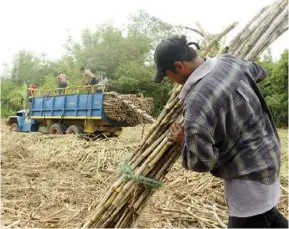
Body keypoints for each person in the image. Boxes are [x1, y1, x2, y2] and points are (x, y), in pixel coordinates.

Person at [153, 35, 288, 228]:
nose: (170, 81)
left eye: (167, 75)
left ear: (179, 66)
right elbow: (260, 71)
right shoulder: (229, 62)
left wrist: (183, 141)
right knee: (269, 217)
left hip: (247, 180)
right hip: (268, 157)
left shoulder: (197, 102)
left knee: (259, 219)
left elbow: (203, 161)